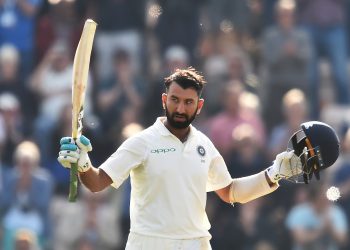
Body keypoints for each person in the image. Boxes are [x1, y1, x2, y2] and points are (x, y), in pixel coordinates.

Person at [57, 68, 308, 250]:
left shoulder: (204, 146)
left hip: (194, 243)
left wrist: (273, 173)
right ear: (165, 100)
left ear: (199, 106)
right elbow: (97, 182)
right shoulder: (142, 142)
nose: (180, 109)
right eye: (175, 100)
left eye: (188, 103)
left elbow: (230, 192)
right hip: (149, 243)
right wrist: (83, 163)